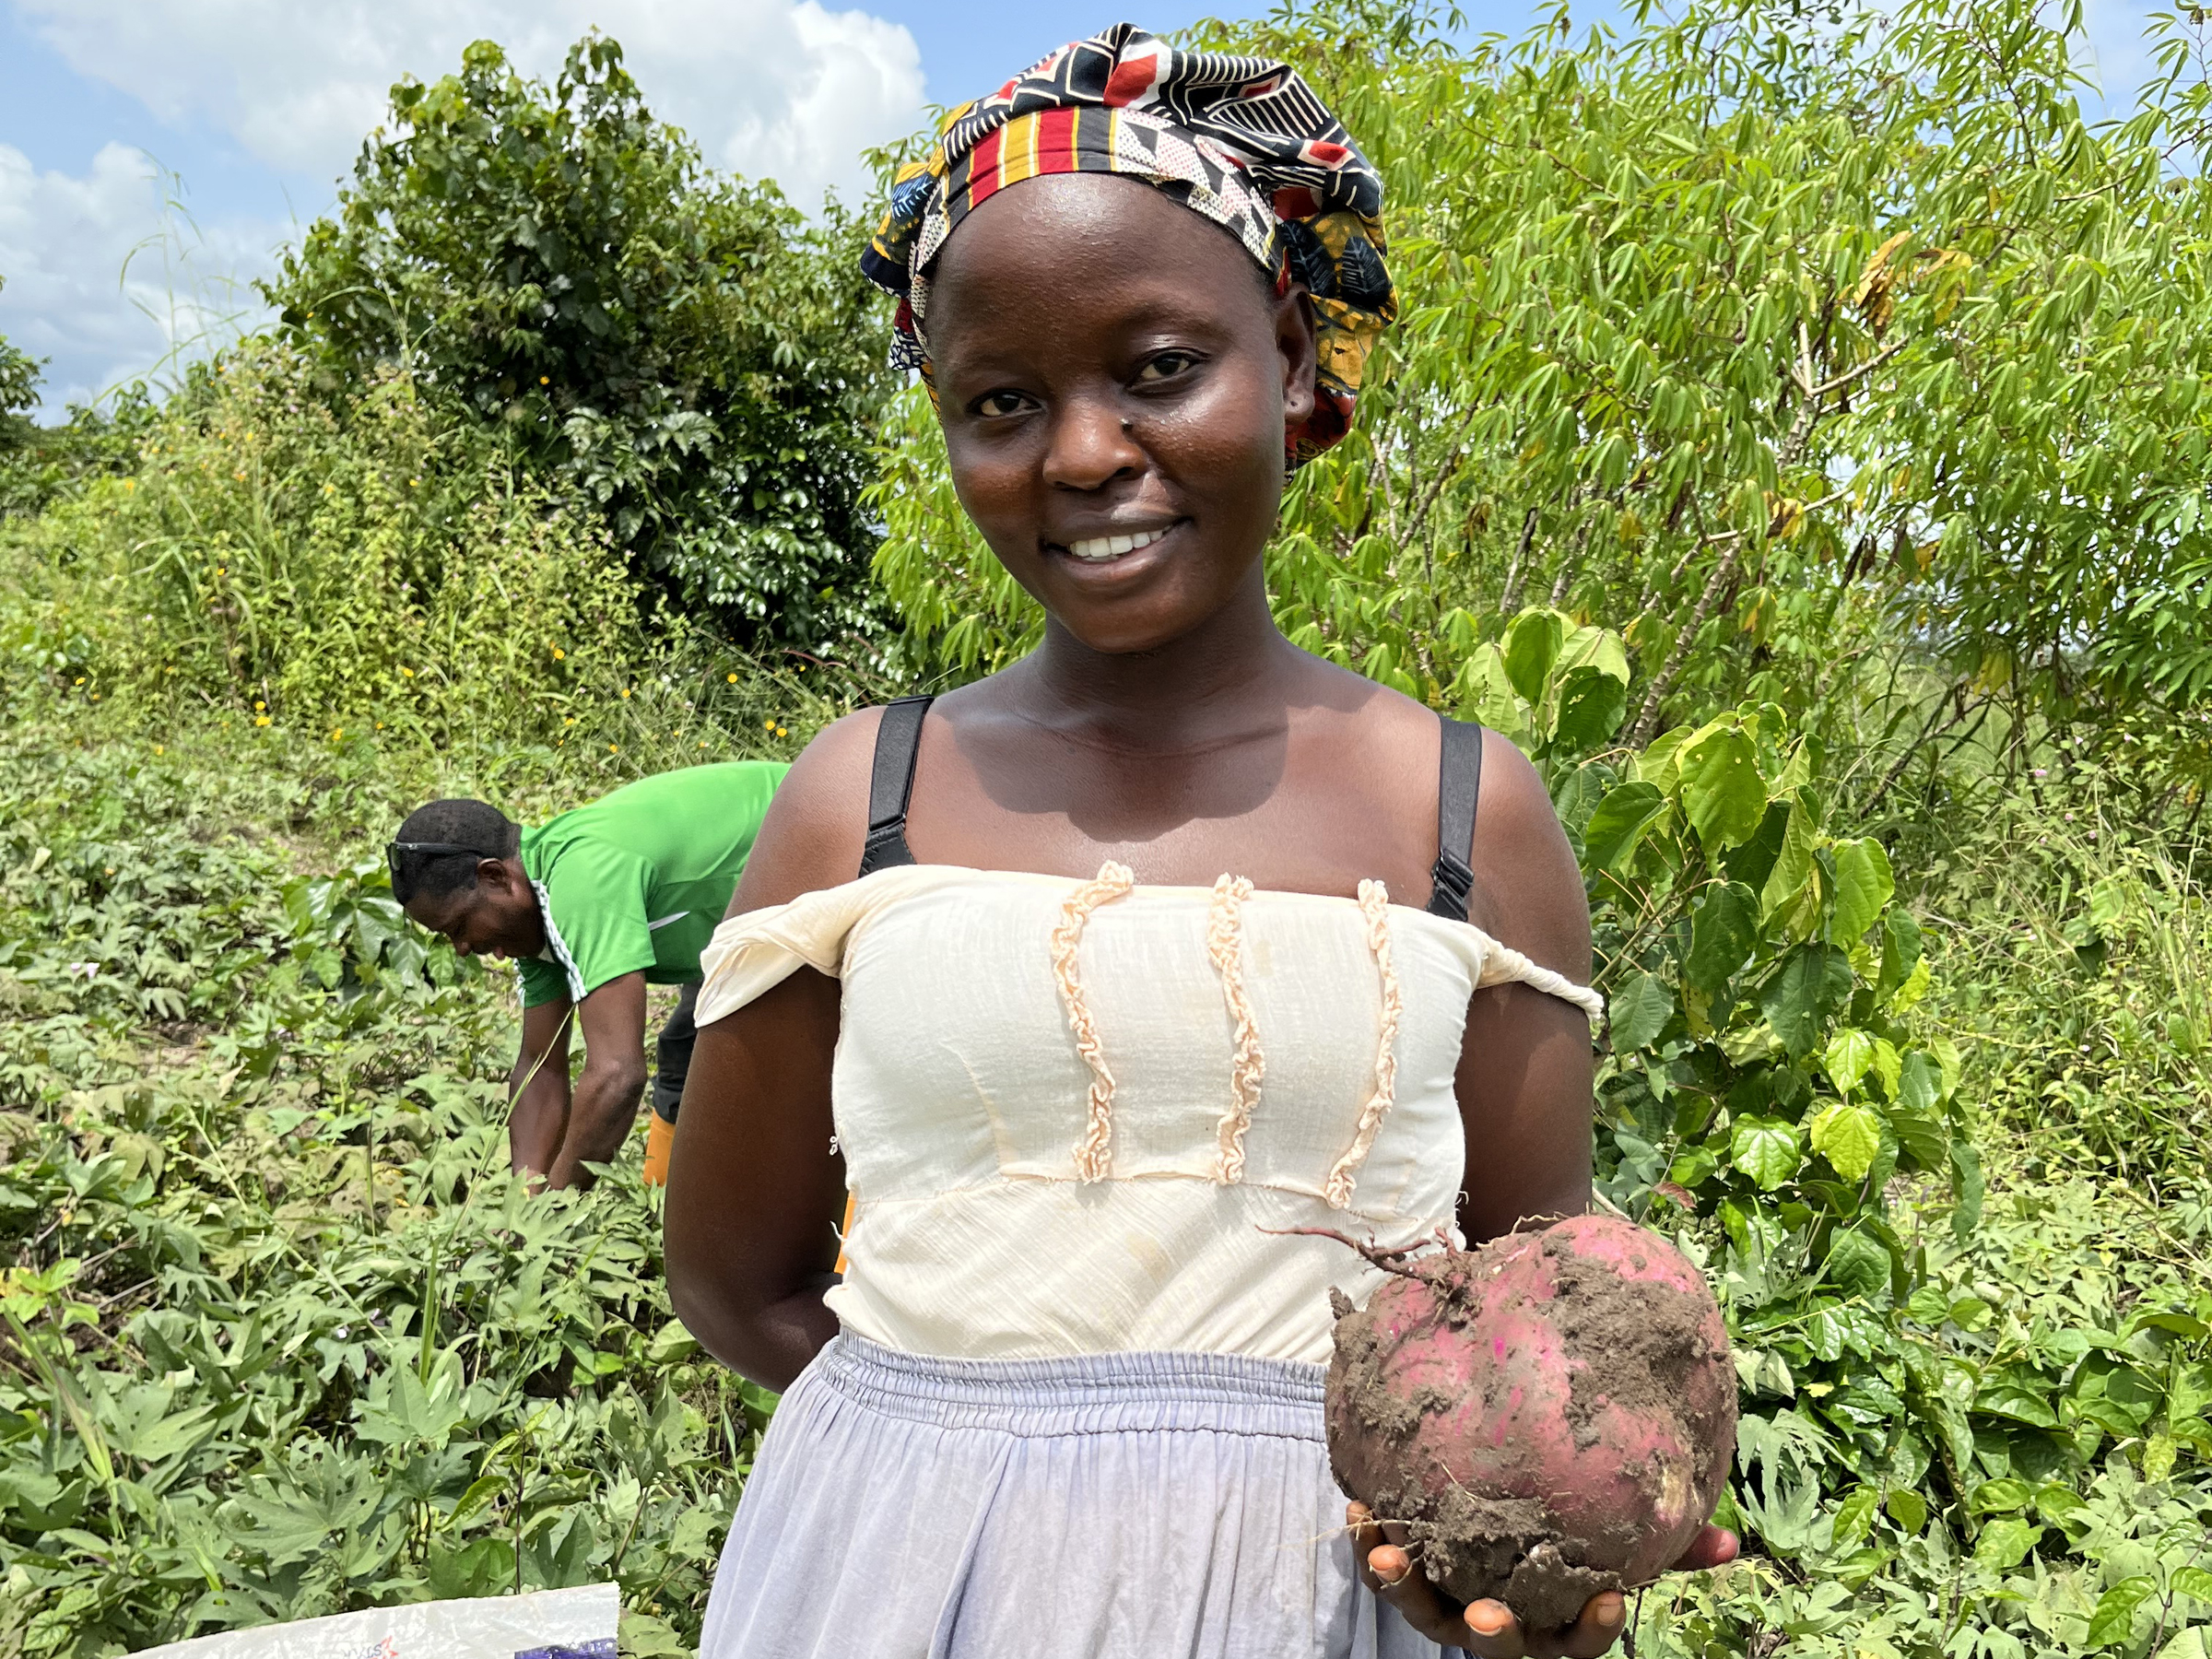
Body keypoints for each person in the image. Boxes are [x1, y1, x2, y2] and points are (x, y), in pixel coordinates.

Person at [665, 26, 1735, 1658]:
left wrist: (1536, 1558)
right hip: (895, 1590)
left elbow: (1540, 1334)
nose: (1084, 454)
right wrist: (973, 1484)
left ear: (1295, 363)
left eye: (1159, 367)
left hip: (1327, 1617)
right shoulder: (858, 796)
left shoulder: (1466, 812)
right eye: (1002, 401)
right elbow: (735, 1279)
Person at [389, 761, 785, 1190]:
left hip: (844, 843)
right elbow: (541, 1068)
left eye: (459, 926)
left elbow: (618, 1075)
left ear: (495, 876)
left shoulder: (581, 882)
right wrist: (523, 1201)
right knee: (687, 1055)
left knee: (769, 1064)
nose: (462, 948)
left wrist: (553, 1215)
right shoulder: (534, 914)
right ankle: (661, 1218)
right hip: (764, 907)